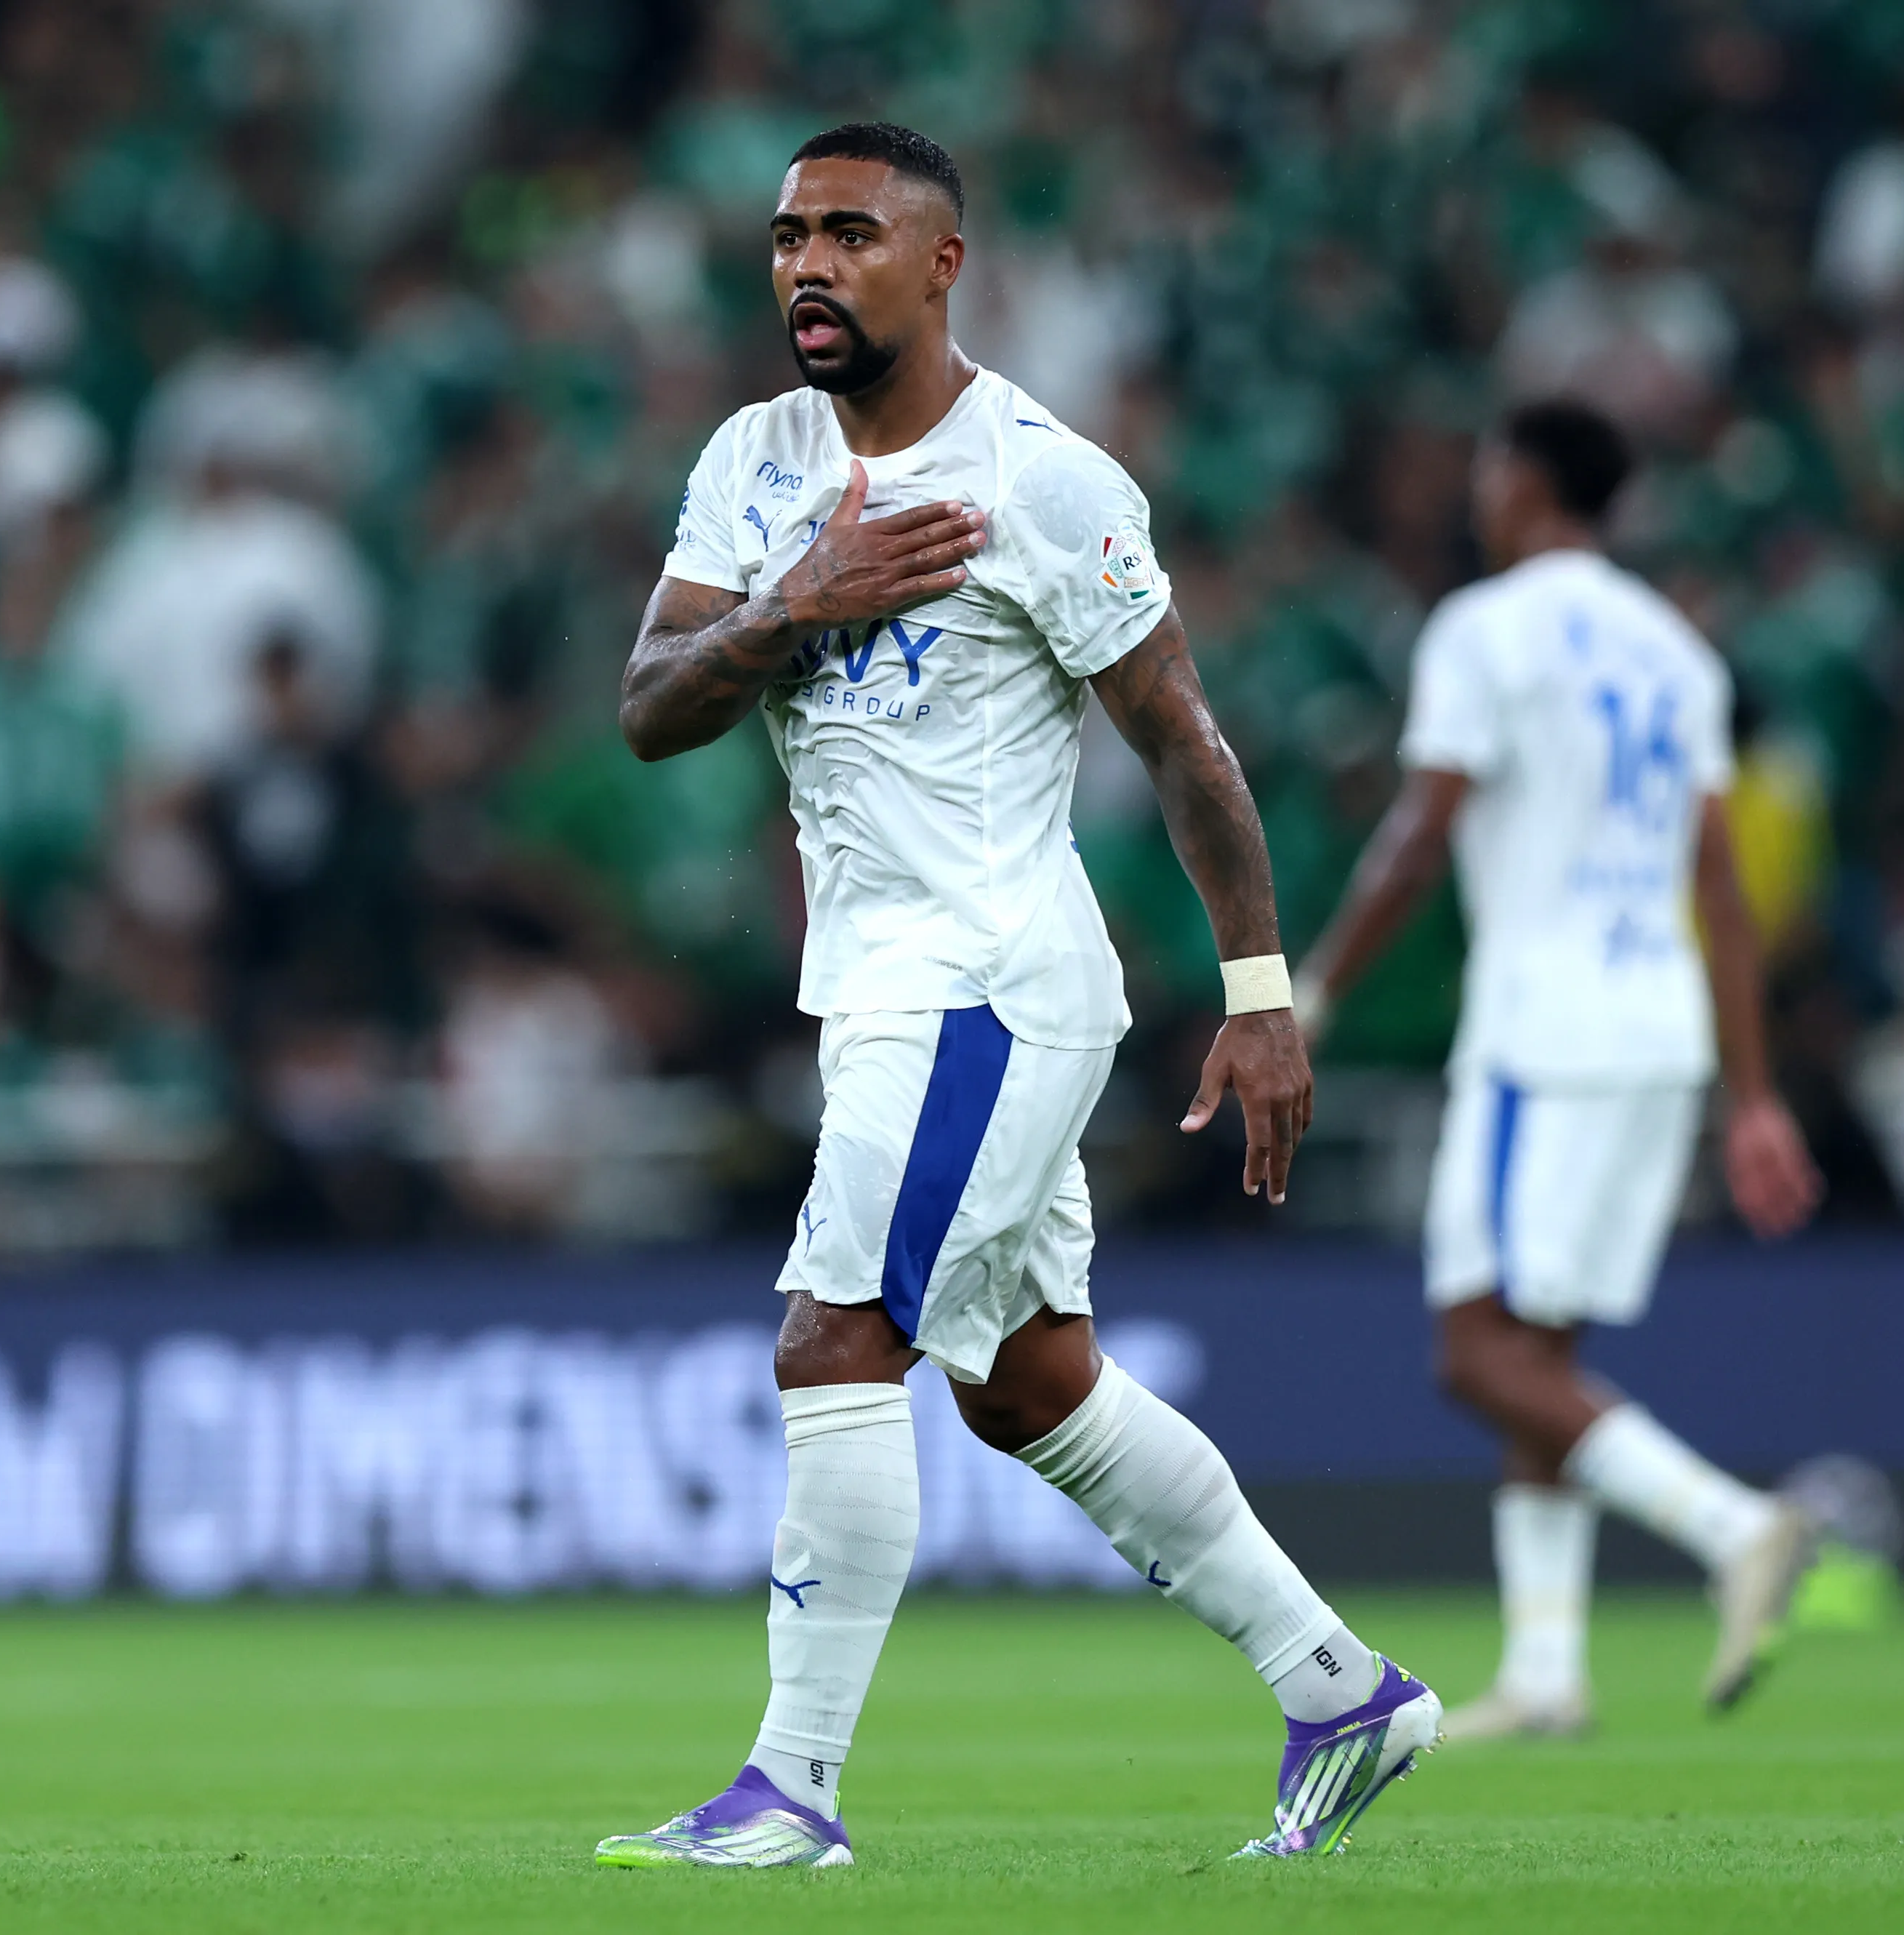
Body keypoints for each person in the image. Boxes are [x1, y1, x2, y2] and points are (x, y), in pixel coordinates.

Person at [595, 122, 1439, 1870]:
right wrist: (792, 605)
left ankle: (792, 1789)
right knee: (1027, 1381)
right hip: (890, 986)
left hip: (986, 977)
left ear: (942, 262)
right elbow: (653, 706)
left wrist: (1259, 993)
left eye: (848, 235)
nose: (805, 269)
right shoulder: (753, 465)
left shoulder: (1040, 478)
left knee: (835, 1330)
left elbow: (1185, 748)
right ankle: (1337, 1685)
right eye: (784, 238)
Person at [1293, 399, 1824, 1740]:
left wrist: (1309, 992)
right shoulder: (1676, 652)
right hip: (1661, 1032)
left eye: (1485, 468)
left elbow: (1419, 836)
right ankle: (1546, 1669)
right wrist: (1753, 1094)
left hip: (1546, 1027)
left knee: (1473, 1356)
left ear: (1522, 482)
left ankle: (1734, 1525)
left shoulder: (1486, 629)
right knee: (1542, 1351)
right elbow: (1723, 885)